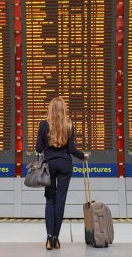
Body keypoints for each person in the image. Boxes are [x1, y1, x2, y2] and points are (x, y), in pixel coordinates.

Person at [36, 96, 88, 250]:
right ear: (63, 109)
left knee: (50, 199)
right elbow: (71, 149)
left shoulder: (43, 125)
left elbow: (38, 148)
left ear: (50, 109)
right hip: (65, 165)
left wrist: (47, 146)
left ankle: (49, 238)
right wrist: (83, 156)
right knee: (60, 200)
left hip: (49, 166)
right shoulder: (69, 124)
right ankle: (56, 239)